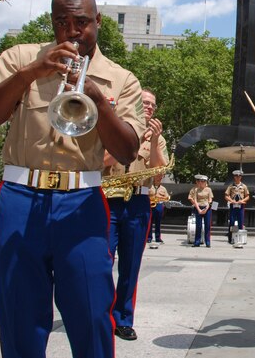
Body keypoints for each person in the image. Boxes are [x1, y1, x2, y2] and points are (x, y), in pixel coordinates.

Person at [0, 0, 145, 358]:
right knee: (20, 315)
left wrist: (97, 98)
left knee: (92, 312)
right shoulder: (21, 57)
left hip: (81, 202)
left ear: (97, 21)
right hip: (20, 196)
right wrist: (30, 73)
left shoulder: (122, 77)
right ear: (52, 22)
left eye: (81, 21)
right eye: (62, 22)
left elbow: (128, 149)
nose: (72, 31)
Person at [104, 88, 168, 341]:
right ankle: (101, 314)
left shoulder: (158, 137)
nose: (149, 107)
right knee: (102, 261)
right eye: (144, 103)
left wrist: (152, 141)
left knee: (130, 265)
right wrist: (134, 136)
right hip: (109, 200)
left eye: (153, 104)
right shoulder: (113, 127)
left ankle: (123, 319)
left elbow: (158, 175)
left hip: (139, 202)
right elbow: (103, 161)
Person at [188, 175, 213, 247]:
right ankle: (197, 242)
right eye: (201, 181)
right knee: (198, 226)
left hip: (206, 208)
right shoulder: (196, 189)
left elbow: (210, 200)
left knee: (207, 225)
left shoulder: (208, 189)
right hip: (198, 207)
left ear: (206, 182)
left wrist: (206, 208)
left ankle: (207, 242)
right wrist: (198, 209)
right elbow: (195, 200)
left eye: (203, 181)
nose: (201, 182)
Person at [225, 170, 249, 242]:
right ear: (234, 177)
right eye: (236, 176)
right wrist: (231, 200)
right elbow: (226, 196)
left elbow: (247, 196)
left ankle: (240, 238)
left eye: (239, 176)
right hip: (233, 206)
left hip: (240, 206)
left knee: (240, 222)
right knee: (231, 222)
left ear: (241, 177)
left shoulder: (244, 186)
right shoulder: (231, 186)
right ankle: (231, 238)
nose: (237, 177)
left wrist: (243, 201)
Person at [148, 174, 170, 245]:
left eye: (160, 177)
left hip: (159, 205)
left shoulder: (163, 188)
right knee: (149, 222)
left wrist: (163, 198)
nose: (159, 178)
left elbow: (167, 197)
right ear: (154, 177)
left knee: (158, 223)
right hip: (150, 205)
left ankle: (158, 238)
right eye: (157, 176)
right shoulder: (149, 187)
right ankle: (149, 237)